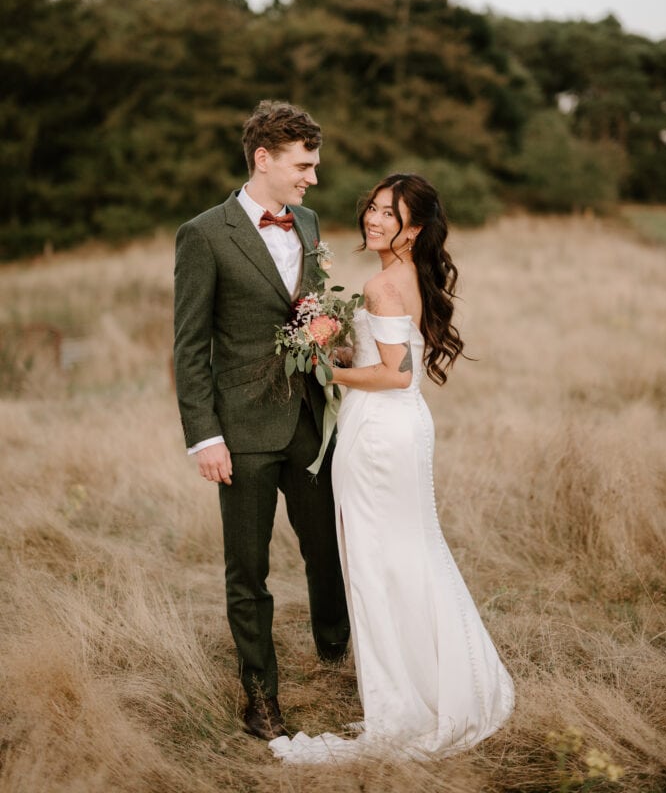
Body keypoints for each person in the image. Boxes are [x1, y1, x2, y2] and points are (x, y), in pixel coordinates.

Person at [270, 173, 514, 763]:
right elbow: (392, 356)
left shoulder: (382, 284)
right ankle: (436, 680)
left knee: (380, 563)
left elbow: (394, 374)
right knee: (409, 553)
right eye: (373, 209)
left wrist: (325, 369)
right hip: (400, 426)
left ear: (417, 227)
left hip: (381, 430)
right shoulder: (410, 277)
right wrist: (343, 350)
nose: (374, 220)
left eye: (390, 213)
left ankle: (403, 701)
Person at [173, 100, 349, 741]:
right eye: (304, 165)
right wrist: (205, 435)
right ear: (264, 158)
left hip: (309, 419)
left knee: (327, 548)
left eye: (315, 165)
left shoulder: (307, 221)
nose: (313, 178)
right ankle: (261, 696)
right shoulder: (203, 234)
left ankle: (336, 651)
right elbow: (189, 347)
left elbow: (311, 304)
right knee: (248, 572)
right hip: (240, 431)